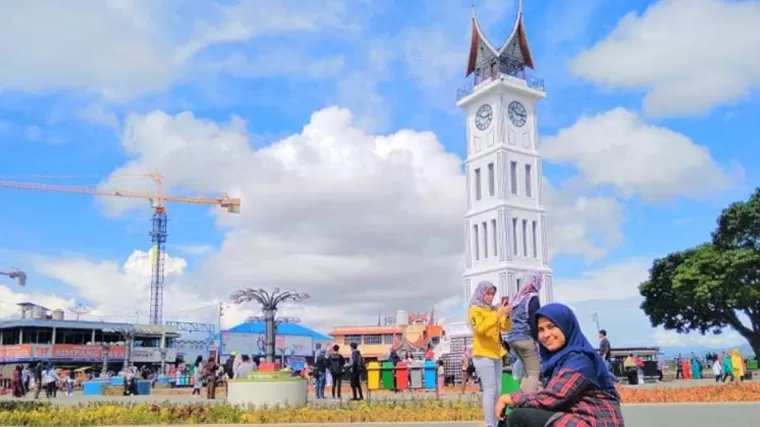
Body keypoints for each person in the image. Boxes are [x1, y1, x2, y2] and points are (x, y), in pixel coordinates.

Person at [495, 303, 624, 427]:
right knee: (512, 417)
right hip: (577, 419)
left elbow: (554, 396)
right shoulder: (559, 361)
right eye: (541, 329)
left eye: (551, 327)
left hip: (594, 422)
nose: (546, 335)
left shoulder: (580, 360)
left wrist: (509, 398)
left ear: (566, 326)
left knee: (520, 417)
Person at [469, 280, 512, 427]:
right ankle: (490, 423)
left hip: (496, 353)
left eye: (492, 294)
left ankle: (497, 420)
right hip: (482, 353)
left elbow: (505, 328)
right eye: (487, 293)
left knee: (498, 389)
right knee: (490, 389)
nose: (490, 297)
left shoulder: (494, 309)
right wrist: (496, 315)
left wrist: (506, 315)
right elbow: (480, 329)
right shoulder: (475, 309)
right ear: (481, 293)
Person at [506, 272, 542, 392]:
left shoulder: (517, 298)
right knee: (534, 373)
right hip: (525, 338)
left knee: (526, 372)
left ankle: (521, 398)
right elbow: (533, 321)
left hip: (512, 339)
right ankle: (528, 402)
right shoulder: (532, 298)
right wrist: (539, 339)